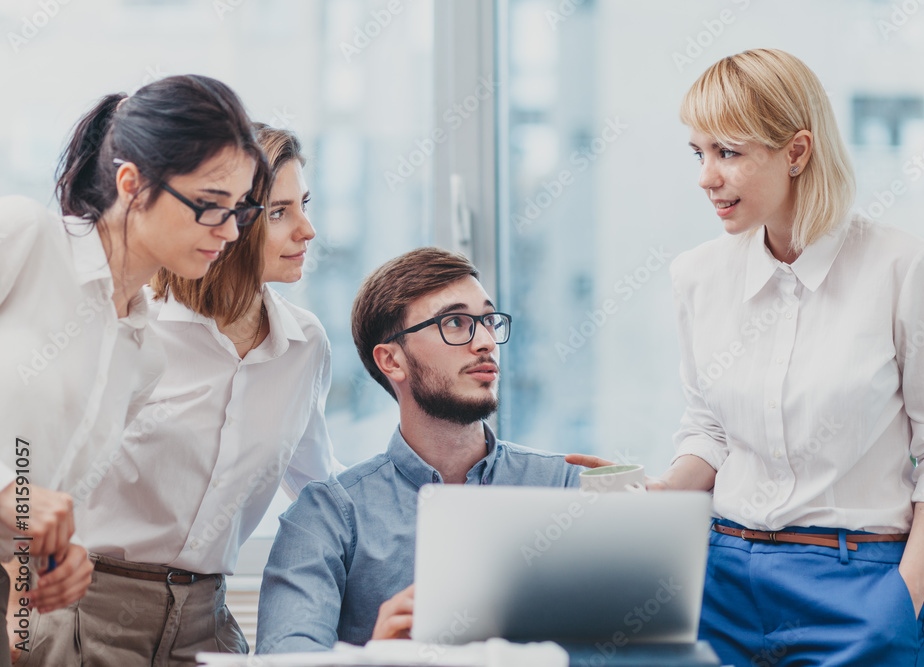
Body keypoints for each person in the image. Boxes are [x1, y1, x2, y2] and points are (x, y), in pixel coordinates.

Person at [570, 48, 924, 666]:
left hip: (861, 587)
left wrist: (904, 595)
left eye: (728, 153)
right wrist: (661, 493)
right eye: (699, 153)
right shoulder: (697, 276)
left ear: (796, 152)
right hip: (721, 581)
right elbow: (710, 429)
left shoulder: (905, 268)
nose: (706, 177)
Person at [12, 125, 342, 666]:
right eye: (280, 212)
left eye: (303, 205)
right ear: (229, 218)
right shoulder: (134, 325)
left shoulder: (305, 347)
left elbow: (321, 488)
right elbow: (30, 480)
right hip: (84, 617)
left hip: (205, 629)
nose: (308, 230)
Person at [0, 74, 267, 667]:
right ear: (132, 183)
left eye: (239, 211)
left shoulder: (144, 353)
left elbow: (37, 508)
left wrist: (45, 560)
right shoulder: (24, 237)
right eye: (209, 206)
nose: (227, 232)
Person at [254, 248, 583, 652]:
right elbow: (288, 659)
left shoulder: (567, 485)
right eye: (456, 323)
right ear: (392, 361)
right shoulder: (325, 518)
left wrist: (634, 504)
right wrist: (376, 659)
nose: (485, 342)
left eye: (488, 321)